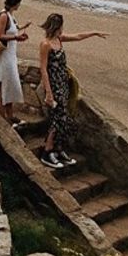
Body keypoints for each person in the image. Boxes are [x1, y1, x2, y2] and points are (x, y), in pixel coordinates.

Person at [38, 12, 107, 169]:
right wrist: (48, 92)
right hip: (54, 85)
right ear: (56, 27)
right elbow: (43, 69)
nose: (62, 29)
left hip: (63, 83)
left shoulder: (59, 40)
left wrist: (94, 33)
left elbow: (78, 36)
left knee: (65, 118)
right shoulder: (46, 44)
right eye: (61, 26)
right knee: (59, 118)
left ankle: (58, 148)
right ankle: (47, 151)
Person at [0, 0, 30, 125]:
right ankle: (2, 117)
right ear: (15, 2)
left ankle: (10, 115)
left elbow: (12, 29)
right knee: (1, 86)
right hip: (4, 56)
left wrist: (23, 28)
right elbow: (0, 35)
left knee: (10, 85)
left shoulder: (11, 16)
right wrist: (16, 37)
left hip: (10, 55)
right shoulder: (4, 16)